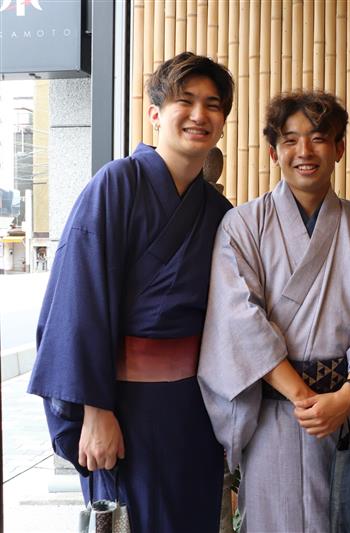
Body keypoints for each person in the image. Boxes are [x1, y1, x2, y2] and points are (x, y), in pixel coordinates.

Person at [28, 52, 235, 532]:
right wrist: (94, 410)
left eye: (213, 105)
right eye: (186, 101)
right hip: (121, 407)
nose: (200, 114)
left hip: (192, 410)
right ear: (155, 113)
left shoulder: (219, 211)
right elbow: (78, 303)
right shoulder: (116, 185)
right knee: (128, 520)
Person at [197, 90, 350, 533]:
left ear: (339, 147)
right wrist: (305, 398)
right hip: (273, 411)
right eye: (290, 140)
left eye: (319, 138)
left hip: (343, 411)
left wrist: (346, 397)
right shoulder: (242, 226)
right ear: (273, 152)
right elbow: (240, 322)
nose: (305, 151)